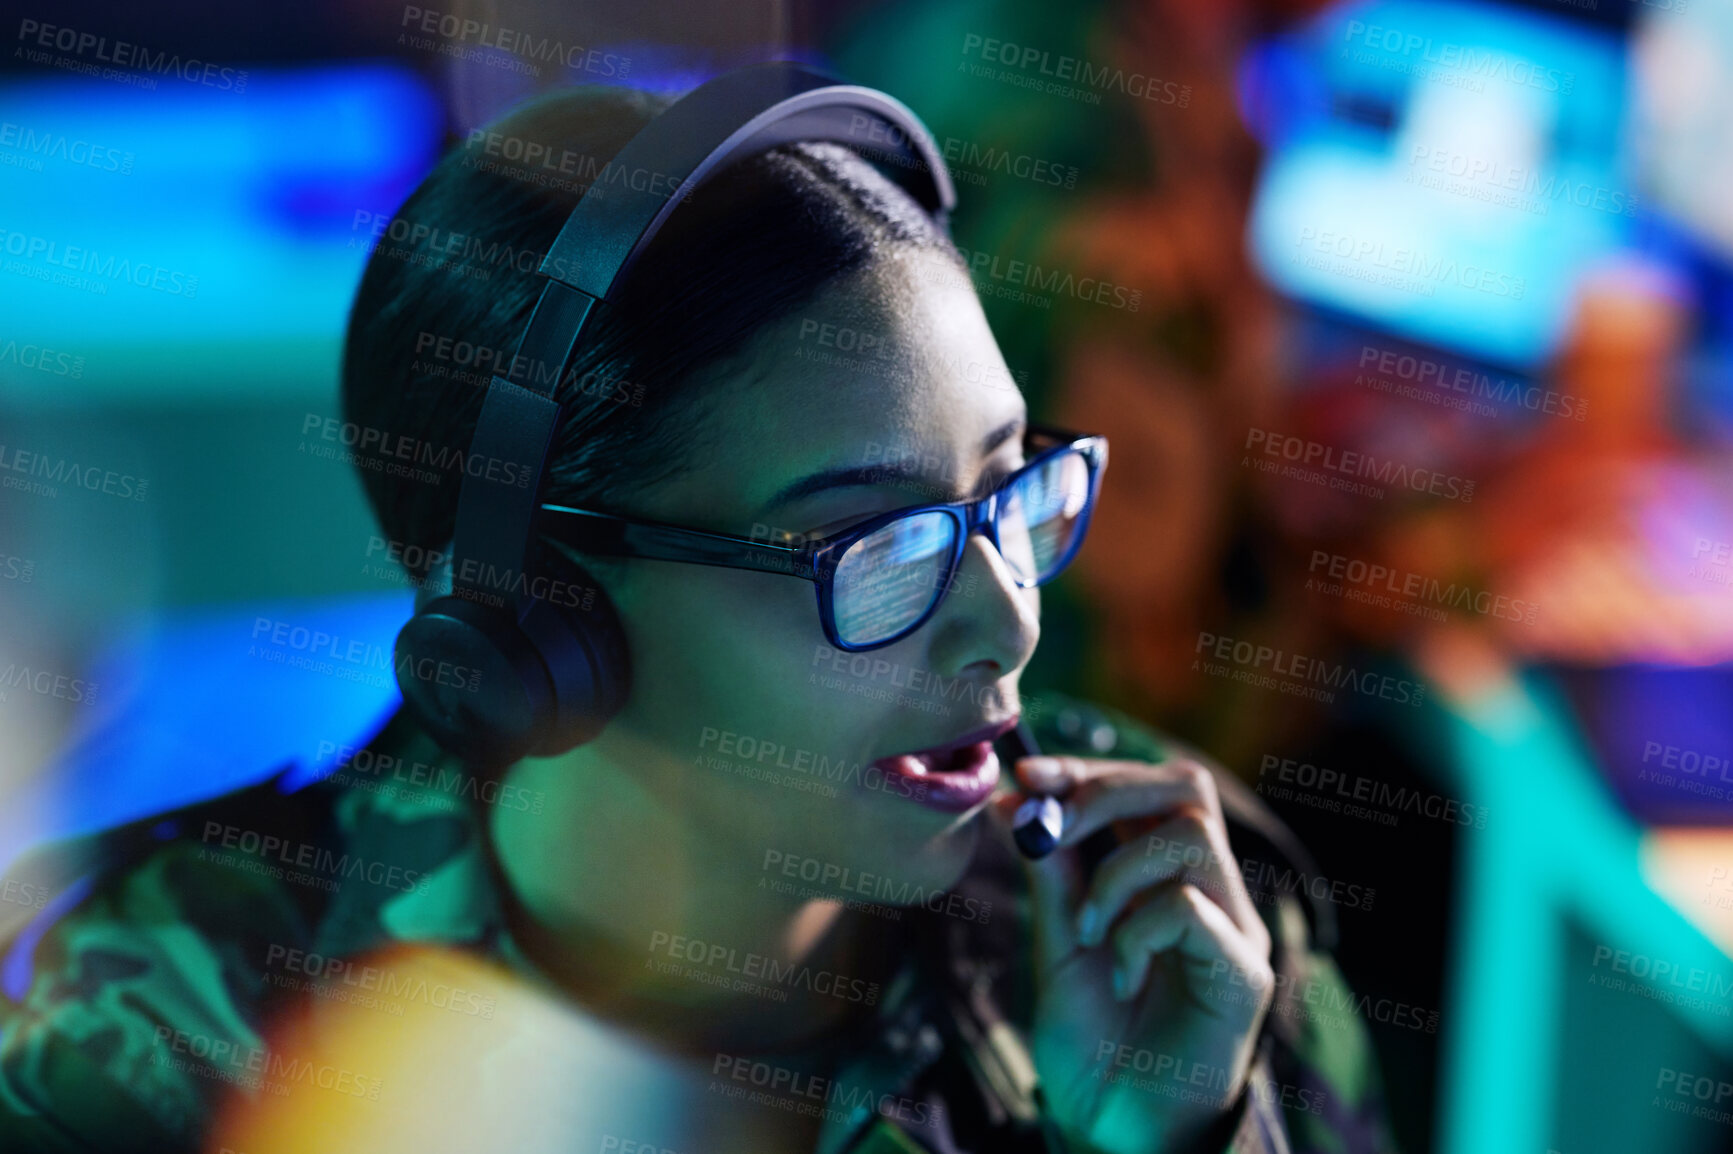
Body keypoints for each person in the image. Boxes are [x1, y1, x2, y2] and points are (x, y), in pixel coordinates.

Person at [0, 80, 1397, 1154]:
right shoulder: (161, 1028)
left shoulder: (1174, 935)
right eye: (881, 544)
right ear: (537, 622)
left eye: (1008, 491)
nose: (1009, 623)